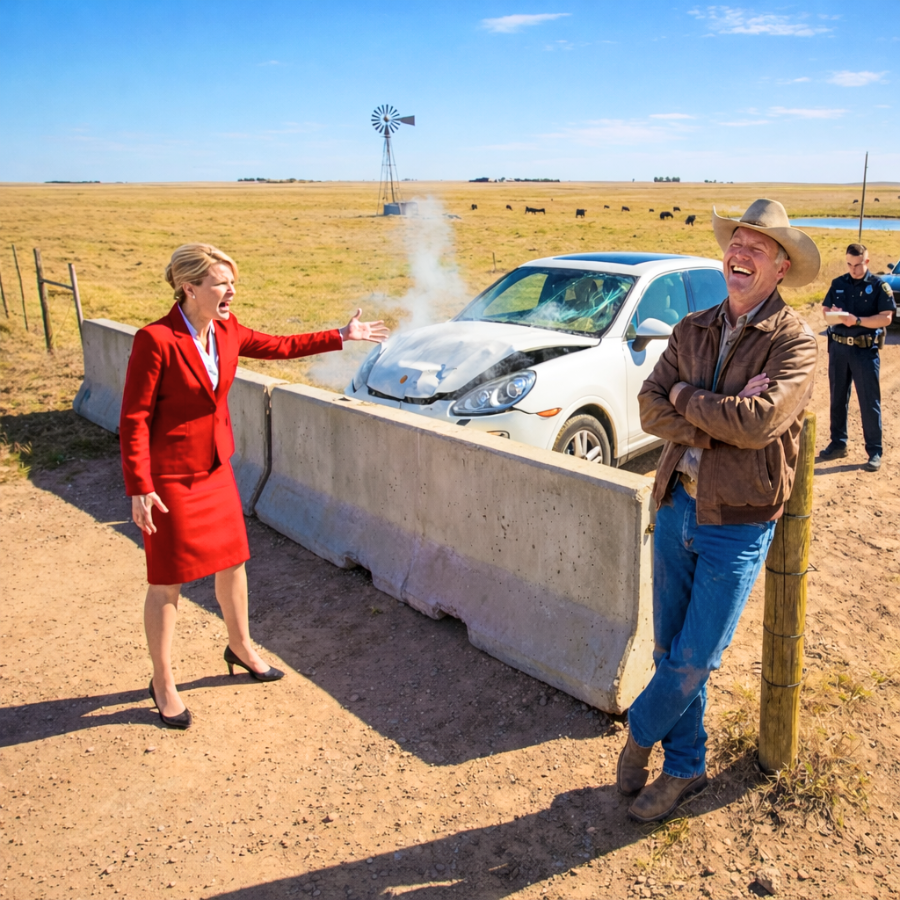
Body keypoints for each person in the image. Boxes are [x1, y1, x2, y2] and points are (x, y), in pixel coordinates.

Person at [120, 243, 389, 729]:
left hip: (216, 468)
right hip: (170, 479)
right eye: (222, 282)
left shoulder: (227, 328)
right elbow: (135, 417)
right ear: (190, 288)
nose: (231, 290)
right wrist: (139, 485)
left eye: (232, 281)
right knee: (166, 580)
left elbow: (280, 346)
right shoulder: (155, 340)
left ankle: (240, 646)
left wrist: (342, 335)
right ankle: (162, 680)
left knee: (233, 561)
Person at [617, 199, 819, 823]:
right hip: (677, 501)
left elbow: (760, 424)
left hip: (738, 519)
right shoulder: (694, 327)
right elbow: (651, 406)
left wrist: (689, 401)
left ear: (781, 268)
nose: (740, 252)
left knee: (698, 655)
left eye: (757, 247)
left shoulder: (796, 343)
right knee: (668, 650)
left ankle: (641, 731)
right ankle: (686, 768)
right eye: (736, 240)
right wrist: (711, 408)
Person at [818, 243, 895, 472]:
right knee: (837, 398)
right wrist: (832, 314)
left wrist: (858, 321)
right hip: (839, 349)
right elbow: (824, 311)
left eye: (858, 264)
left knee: (869, 402)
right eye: (850, 264)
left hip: (864, 350)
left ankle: (874, 451)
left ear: (867, 262)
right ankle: (838, 443)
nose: (853, 269)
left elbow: (886, 318)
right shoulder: (838, 283)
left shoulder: (879, 286)